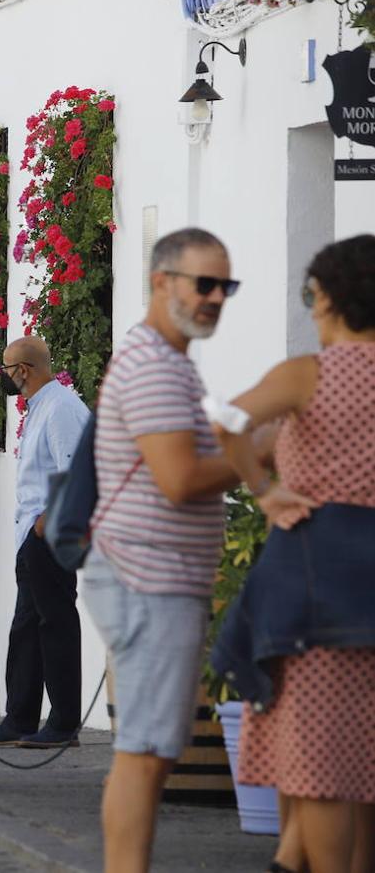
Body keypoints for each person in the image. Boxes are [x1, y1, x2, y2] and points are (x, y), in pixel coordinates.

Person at [211, 235, 375, 873]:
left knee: (321, 764)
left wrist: (266, 489)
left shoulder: (310, 373)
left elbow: (225, 417)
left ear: (329, 298)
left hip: (316, 582)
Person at [81, 229, 239, 873]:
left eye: (225, 287)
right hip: (147, 576)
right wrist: (252, 453)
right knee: (145, 753)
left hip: (153, 575)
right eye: (203, 284)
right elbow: (177, 478)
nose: (215, 300)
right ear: (160, 282)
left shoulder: (166, 360)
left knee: (150, 750)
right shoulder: (152, 365)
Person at [0, 336, 90, 749]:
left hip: (50, 533)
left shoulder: (61, 407)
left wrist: (47, 522)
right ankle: (21, 716)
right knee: (27, 626)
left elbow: (76, 467)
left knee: (56, 624)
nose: (6, 378)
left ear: (23, 370)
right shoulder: (40, 408)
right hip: (32, 533)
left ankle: (64, 723)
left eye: (7, 369)